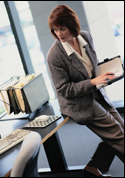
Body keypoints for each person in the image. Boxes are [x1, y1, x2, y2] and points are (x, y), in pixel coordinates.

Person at [47, 4, 124, 177]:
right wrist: (92, 82)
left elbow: (91, 67)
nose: (59, 33)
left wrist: (105, 75)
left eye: (62, 28)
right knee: (117, 134)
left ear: (72, 25)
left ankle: (92, 168)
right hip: (77, 103)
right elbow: (63, 89)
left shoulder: (86, 37)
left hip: (97, 94)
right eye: (55, 29)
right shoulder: (54, 55)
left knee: (119, 129)